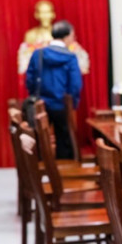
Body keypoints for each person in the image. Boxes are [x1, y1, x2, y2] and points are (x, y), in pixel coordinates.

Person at [25, 20, 82, 160]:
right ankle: (64, 168)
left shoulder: (38, 54)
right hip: (61, 105)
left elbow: (30, 79)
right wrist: (72, 104)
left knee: (39, 140)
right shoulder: (70, 57)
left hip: (40, 104)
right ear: (66, 37)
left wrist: (34, 95)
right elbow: (75, 84)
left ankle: (40, 166)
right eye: (72, 36)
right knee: (64, 140)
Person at [18, 0, 89, 75]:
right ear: (37, 15)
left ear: (53, 14)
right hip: (40, 74)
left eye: (47, 12)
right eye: (42, 12)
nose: (45, 16)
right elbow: (26, 59)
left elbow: (73, 53)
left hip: (61, 73)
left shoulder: (61, 33)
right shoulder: (31, 35)